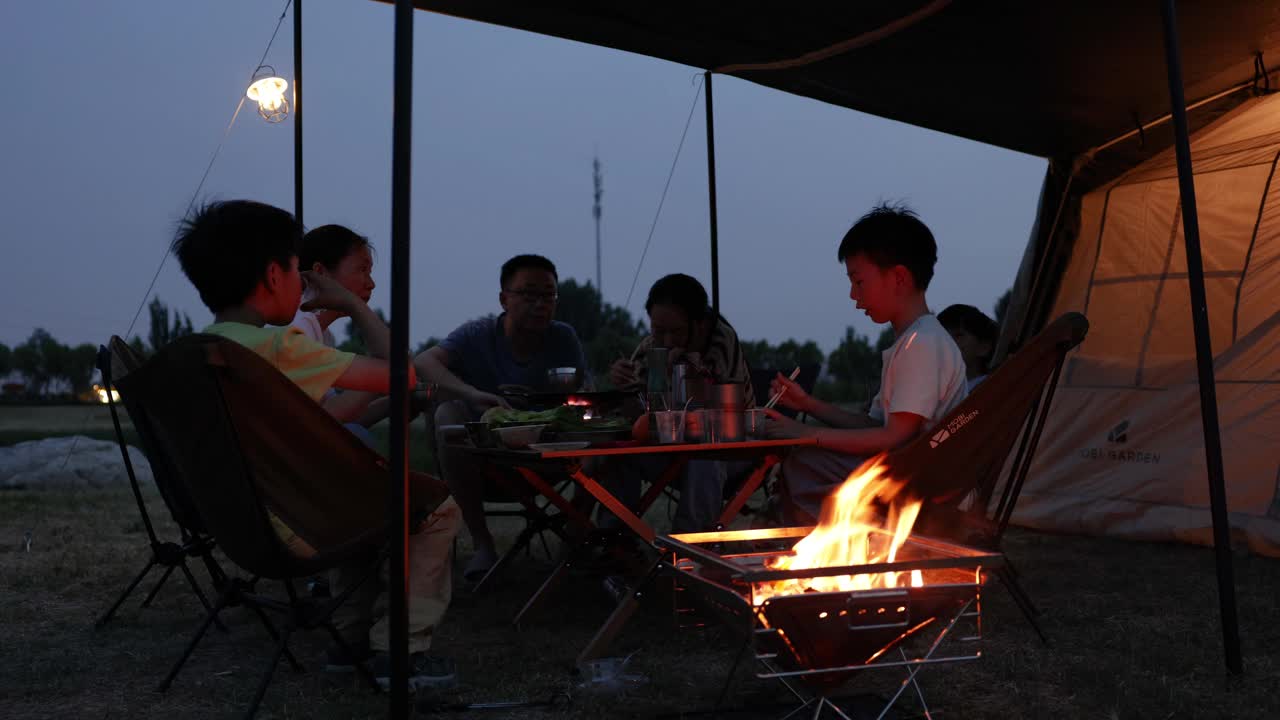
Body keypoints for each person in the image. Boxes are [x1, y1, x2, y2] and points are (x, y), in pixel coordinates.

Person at [172, 199, 459, 689]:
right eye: (293, 267)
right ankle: (402, 651)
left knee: (359, 495)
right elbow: (403, 373)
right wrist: (352, 304)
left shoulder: (200, 351)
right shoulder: (279, 347)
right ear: (272, 275)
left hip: (245, 522)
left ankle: (348, 644)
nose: (302, 279)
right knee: (436, 508)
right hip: (302, 524)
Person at [765, 203, 967, 524]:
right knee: (803, 460)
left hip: (914, 482)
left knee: (803, 462)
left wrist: (804, 432)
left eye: (859, 281)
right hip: (905, 469)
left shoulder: (924, 344)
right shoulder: (912, 341)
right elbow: (877, 428)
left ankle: (832, 545)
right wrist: (810, 405)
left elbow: (892, 438)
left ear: (899, 277)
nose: (852, 294)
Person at [415, 254, 589, 580]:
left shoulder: (563, 338)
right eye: (529, 294)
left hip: (549, 457)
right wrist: (470, 394)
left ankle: (576, 537)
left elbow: (583, 395)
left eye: (549, 295)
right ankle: (483, 543)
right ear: (504, 298)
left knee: (600, 445)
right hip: (485, 462)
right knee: (447, 415)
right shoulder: (477, 335)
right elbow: (424, 362)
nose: (540, 304)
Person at [605, 273, 754, 532]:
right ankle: (614, 543)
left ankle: (688, 549)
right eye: (658, 330)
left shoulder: (721, 341)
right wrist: (623, 381)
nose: (667, 341)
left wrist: (685, 367)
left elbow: (717, 416)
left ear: (700, 324)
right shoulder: (652, 346)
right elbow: (634, 409)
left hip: (734, 447)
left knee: (706, 453)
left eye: (676, 331)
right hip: (670, 446)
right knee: (618, 455)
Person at [288, 224, 381, 441]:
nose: (372, 283)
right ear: (320, 272)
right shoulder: (297, 329)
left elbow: (334, 412)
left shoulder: (323, 334)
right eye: (362, 270)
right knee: (358, 438)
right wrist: (386, 376)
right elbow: (327, 419)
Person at [937, 304, 999, 393]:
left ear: (983, 347)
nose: (948, 341)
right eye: (943, 336)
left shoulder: (992, 387)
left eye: (959, 335)